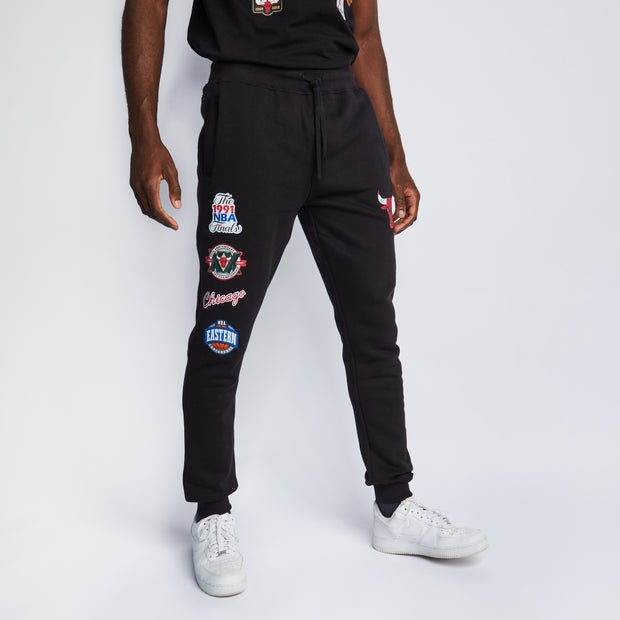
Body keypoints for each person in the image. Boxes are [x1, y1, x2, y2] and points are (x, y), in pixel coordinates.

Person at [121, 0, 488, 597]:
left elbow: (364, 30)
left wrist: (393, 154)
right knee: (222, 327)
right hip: (249, 110)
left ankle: (394, 504)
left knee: (373, 324)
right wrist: (144, 134)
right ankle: (211, 511)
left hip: (345, 114)